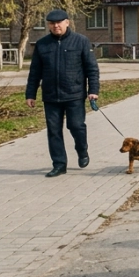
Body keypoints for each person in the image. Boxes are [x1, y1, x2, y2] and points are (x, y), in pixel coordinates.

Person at [25, 9, 99, 178]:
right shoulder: (42, 44)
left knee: (76, 126)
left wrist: (93, 90)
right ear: (49, 25)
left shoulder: (80, 41)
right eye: (52, 23)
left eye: (59, 22)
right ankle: (59, 164)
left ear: (67, 22)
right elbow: (35, 71)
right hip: (51, 96)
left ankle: (82, 150)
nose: (56, 26)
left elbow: (91, 69)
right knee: (53, 131)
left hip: (74, 94)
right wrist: (30, 94)